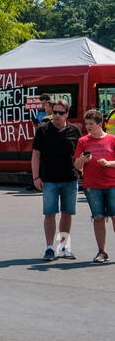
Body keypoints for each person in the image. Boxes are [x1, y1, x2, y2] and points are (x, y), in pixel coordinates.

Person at [33, 98, 80, 261]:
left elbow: (80, 155)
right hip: (49, 180)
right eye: (55, 113)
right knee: (50, 213)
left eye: (61, 113)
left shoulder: (74, 130)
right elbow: (36, 155)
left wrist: (81, 170)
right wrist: (36, 177)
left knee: (67, 213)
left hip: (70, 179)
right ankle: (49, 248)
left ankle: (64, 247)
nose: (57, 116)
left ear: (67, 114)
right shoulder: (43, 130)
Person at [76, 109, 115, 262]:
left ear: (100, 124)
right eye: (87, 124)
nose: (88, 127)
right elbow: (76, 165)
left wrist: (109, 163)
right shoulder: (83, 141)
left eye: (91, 124)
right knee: (98, 217)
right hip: (92, 185)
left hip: (112, 183)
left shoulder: (112, 139)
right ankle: (102, 252)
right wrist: (82, 161)